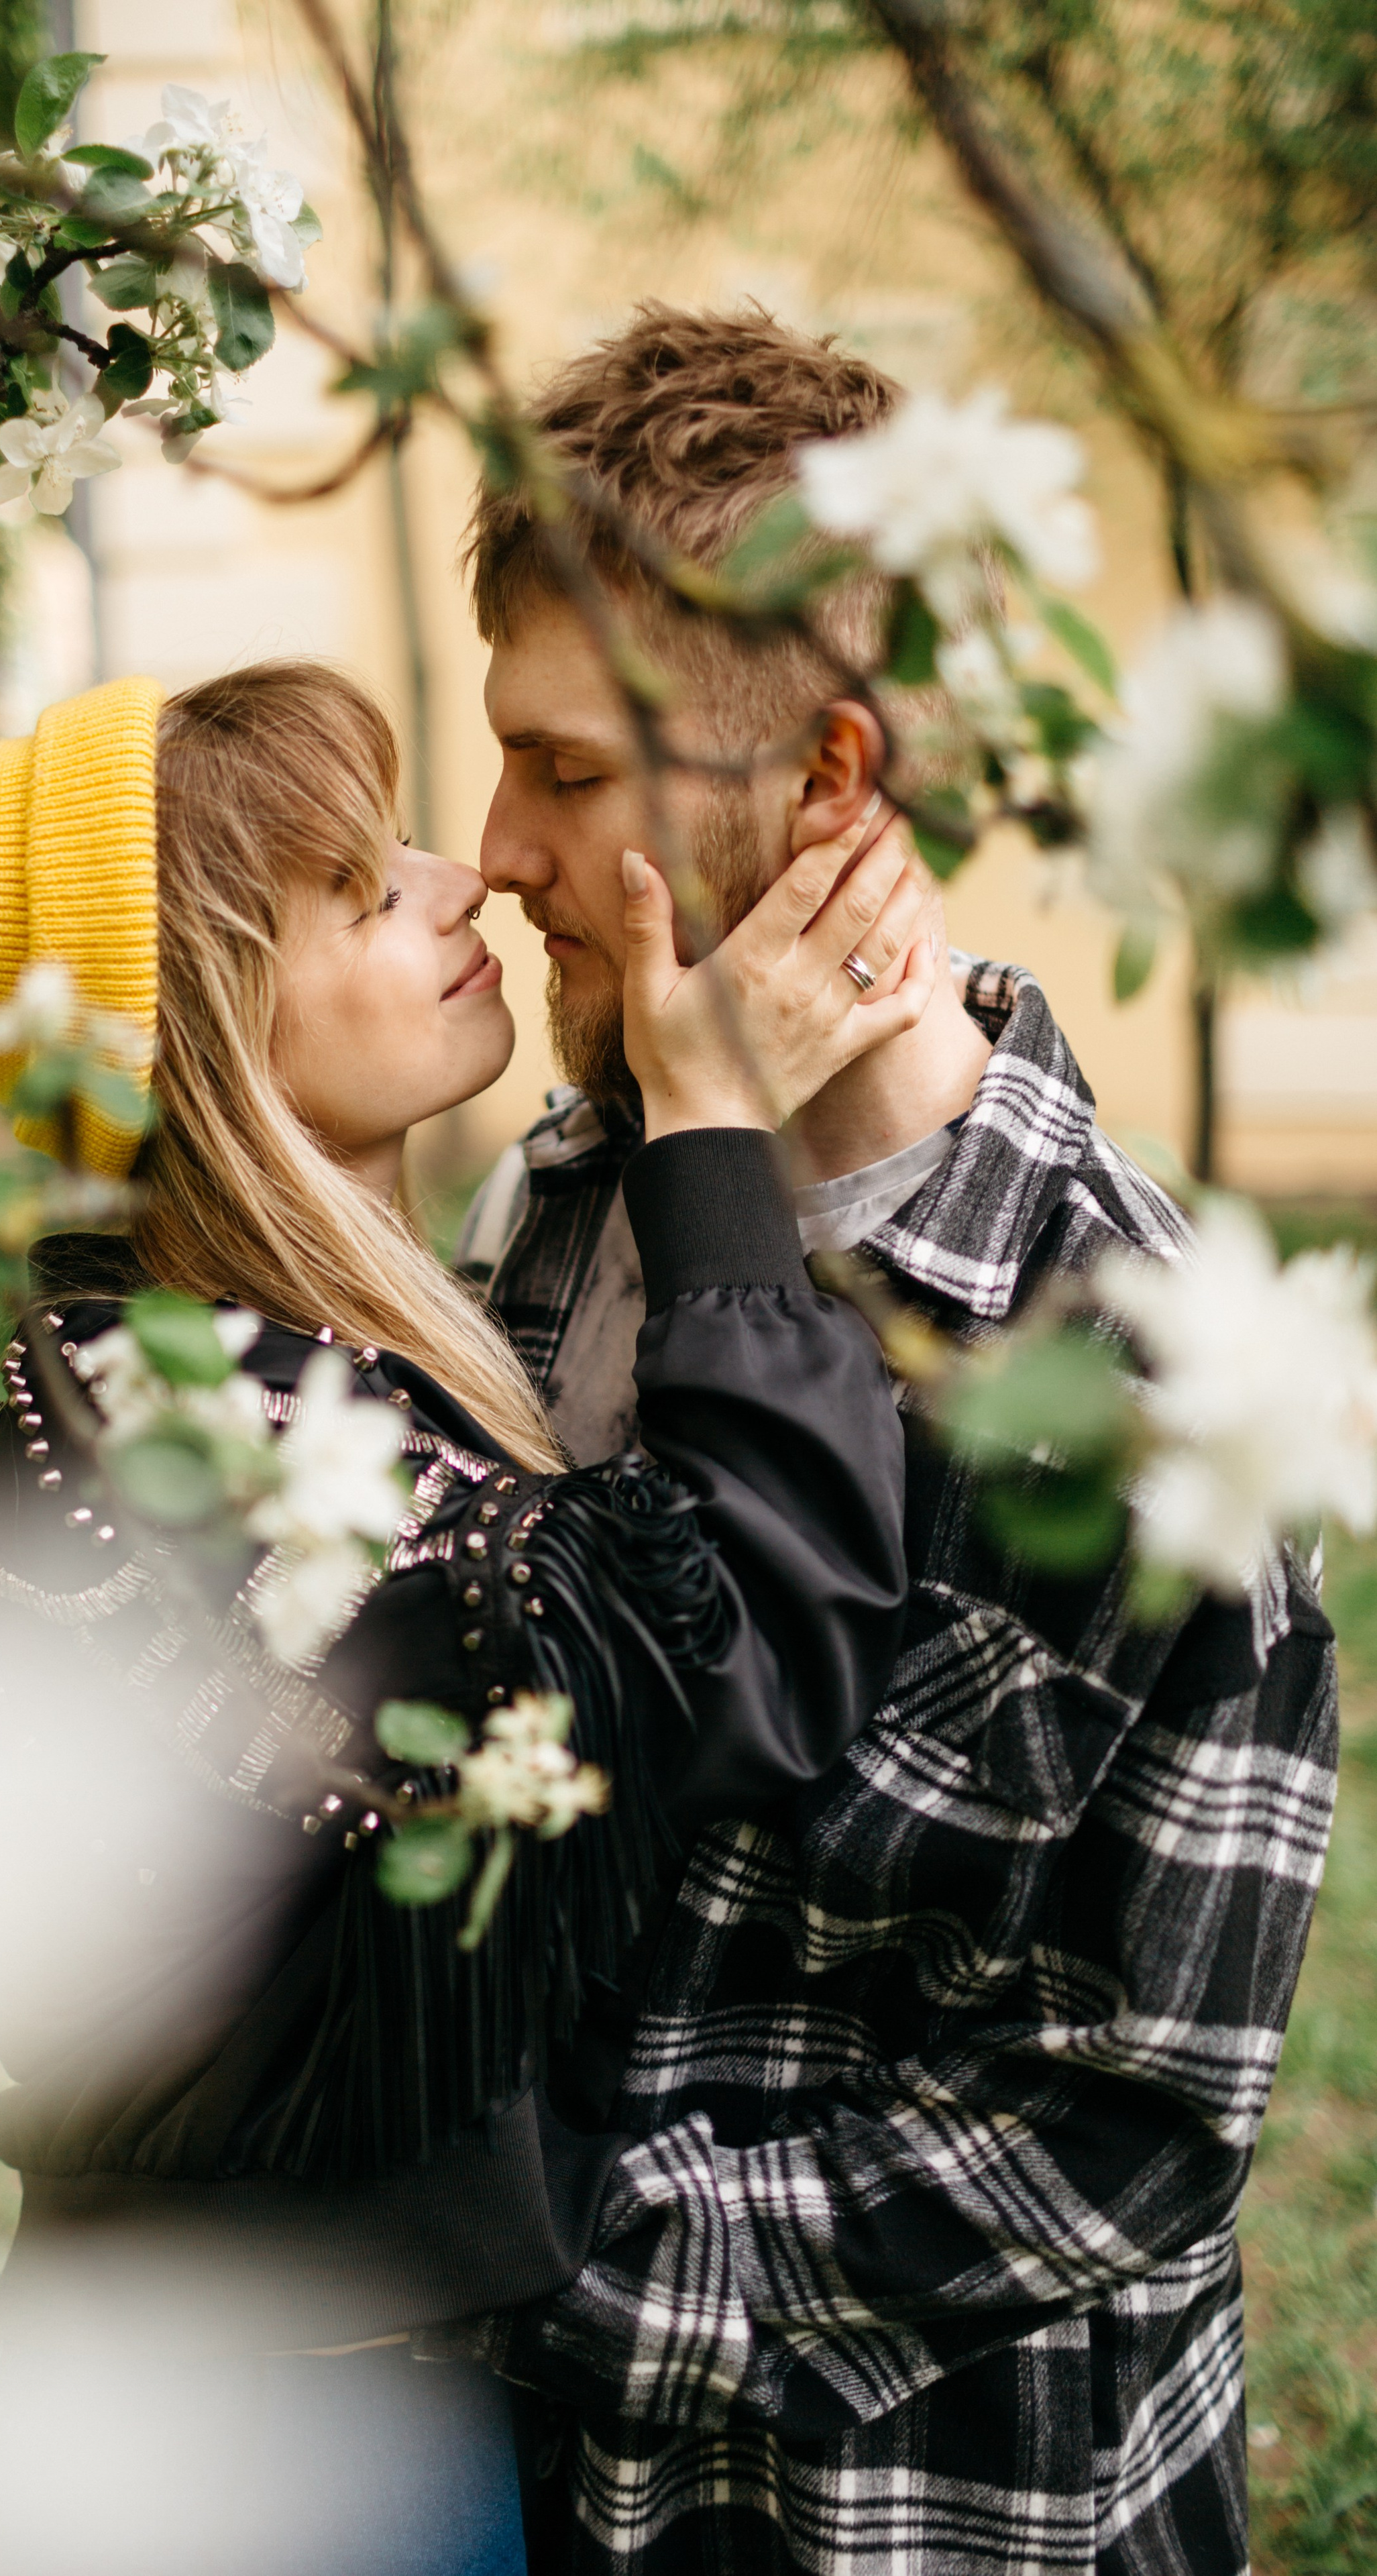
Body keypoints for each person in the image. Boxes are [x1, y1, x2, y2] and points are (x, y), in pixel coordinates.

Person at [0, 659, 932, 2576]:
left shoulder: (239, 1355)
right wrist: (714, 1137)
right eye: (357, 889)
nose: (459, 878)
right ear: (204, 1039)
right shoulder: (204, 1430)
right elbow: (740, 1659)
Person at [454, 305, 1339, 2575]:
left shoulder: (1152, 1386)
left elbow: (1135, 2120)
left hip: (924, 2514)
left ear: (831, 778)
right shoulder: (557, 1202)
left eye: (568, 773)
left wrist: (531, 2255)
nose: (495, 851)